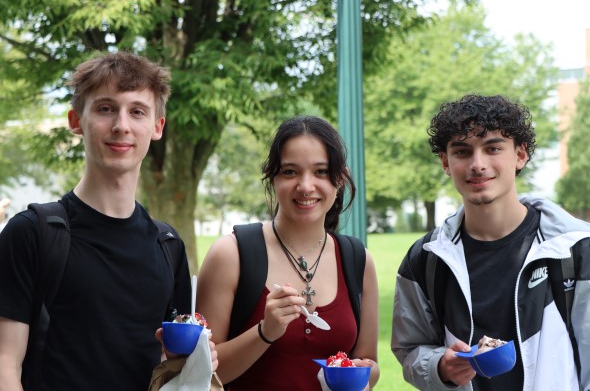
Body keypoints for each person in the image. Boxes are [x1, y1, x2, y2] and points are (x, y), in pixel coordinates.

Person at [0, 51, 217, 391]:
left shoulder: (168, 245)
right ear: (76, 121)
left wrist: (196, 358)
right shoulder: (32, 232)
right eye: (105, 108)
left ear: (157, 126)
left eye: (137, 111)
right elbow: (4, 363)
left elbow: (169, 368)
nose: (121, 125)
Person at [391, 94, 590, 390]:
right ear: (445, 162)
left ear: (520, 155)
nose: (478, 164)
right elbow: (410, 349)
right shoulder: (425, 259)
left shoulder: (579, 249)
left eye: (492, 148)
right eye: (462, 152)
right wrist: (440, 366)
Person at [196, 116, 380, 390]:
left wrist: (361, 375)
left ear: (339, 179)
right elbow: (201, 371)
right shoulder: (231, 254)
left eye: (320, 172)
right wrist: (264, 332)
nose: (306, 186)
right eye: (290, 172)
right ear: (272, 177)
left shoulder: (358, 260)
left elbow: (369, 362)